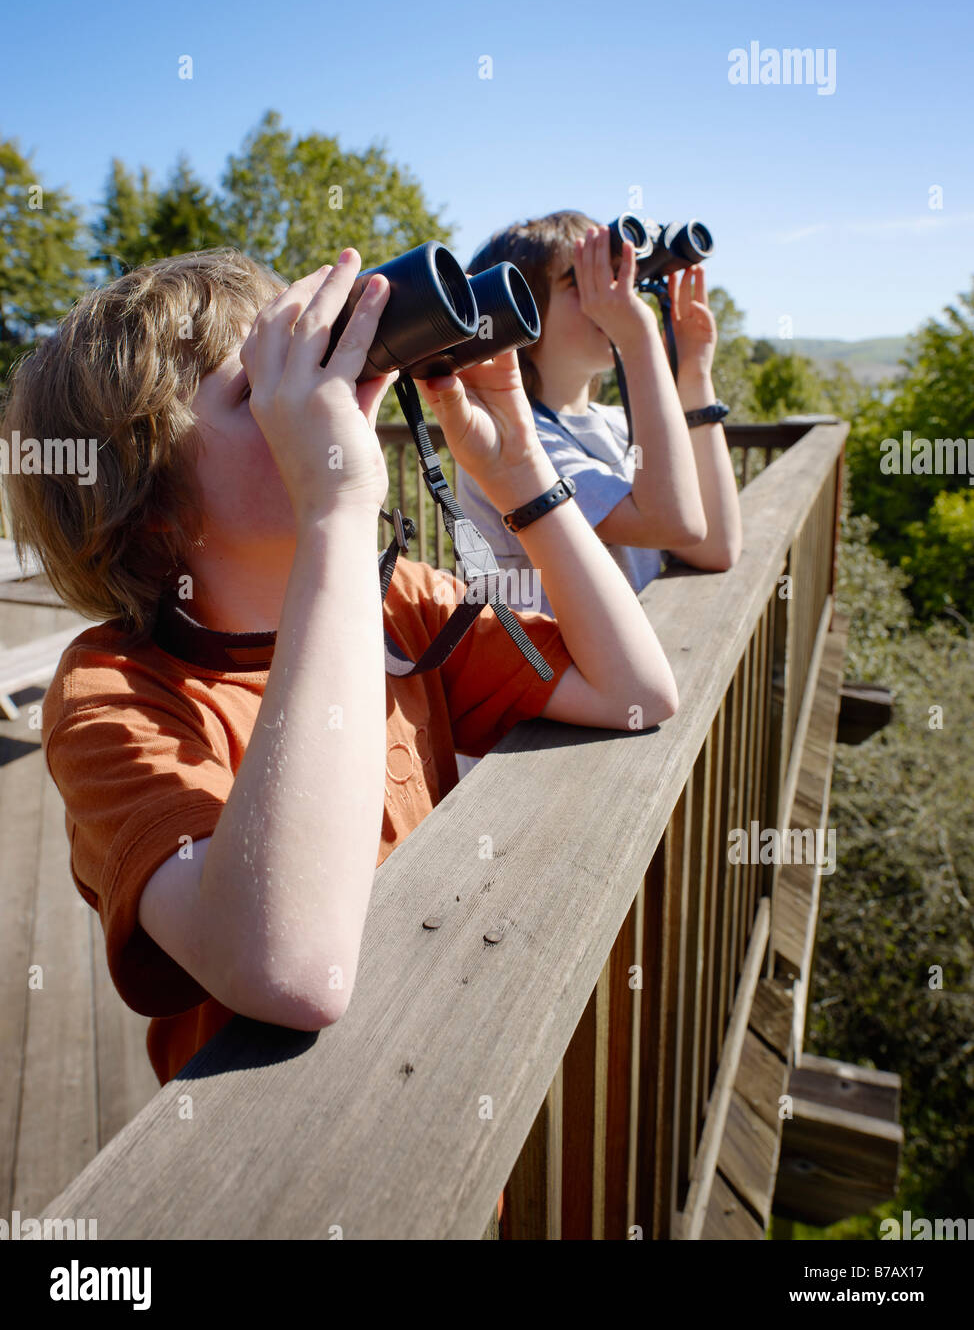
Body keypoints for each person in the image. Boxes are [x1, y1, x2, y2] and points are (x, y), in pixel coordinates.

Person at [0, 245, 679, 1096]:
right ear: (154, 513)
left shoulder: (401, 604)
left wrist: (521, 477)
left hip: (438, 1069)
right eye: (263, 391)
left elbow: (634, 694)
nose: (328, 406)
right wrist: (336, 510)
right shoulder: (116, 698)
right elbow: (288, 967)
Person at [455, 211, 743, 622]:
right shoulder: (513, 441)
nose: (613, 295)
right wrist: (639, 338)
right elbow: (675, 525)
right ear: (520, 310)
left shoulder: (618, 425)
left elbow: (715, 547)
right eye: (583, 282)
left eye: (616, 276)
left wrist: (694, 375)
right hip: (549, 678)